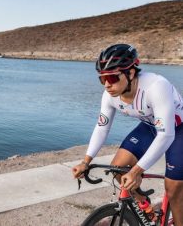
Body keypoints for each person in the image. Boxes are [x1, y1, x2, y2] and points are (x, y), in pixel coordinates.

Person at [72, 44, 183, 224]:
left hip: (178, 130)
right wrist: (86, 162)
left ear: (131, 73)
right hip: (150, 126)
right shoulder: (110, 95)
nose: (107, 84)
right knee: (118, 167)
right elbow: (102, 127)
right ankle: (145, 207)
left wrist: (137, 170)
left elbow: (166, 135)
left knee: (173, 188)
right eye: (102, 79)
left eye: (112, 77)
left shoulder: (156, 86)